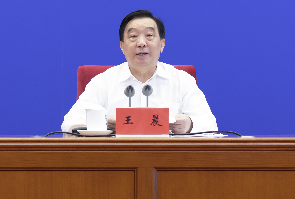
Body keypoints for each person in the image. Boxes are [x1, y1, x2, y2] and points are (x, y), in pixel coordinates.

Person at [62, 10, 217, 134]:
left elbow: (210, 124)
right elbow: (70, 123)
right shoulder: (103, 81)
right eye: (133, 36)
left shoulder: (182, 80)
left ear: (162, 44)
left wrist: (189, 124)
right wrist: (103, 122)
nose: (141, 43)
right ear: (122, 46)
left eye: (149, 35)